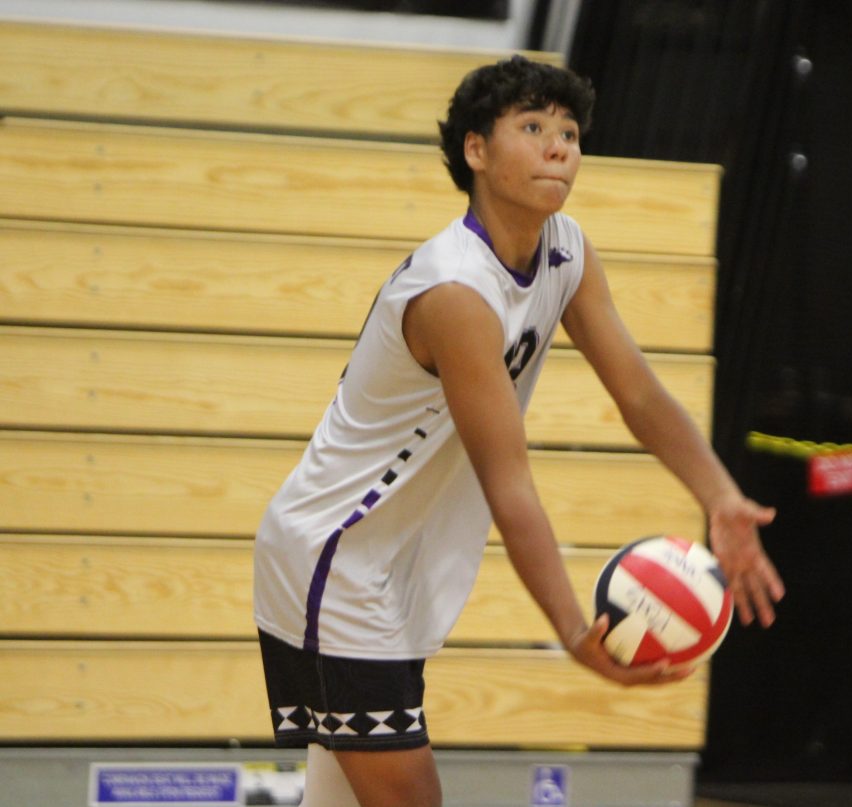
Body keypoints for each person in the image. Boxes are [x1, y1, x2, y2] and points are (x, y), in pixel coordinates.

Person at [252, 55, 785, 807]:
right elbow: (511, 484)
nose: (558, 146)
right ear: (477, 150)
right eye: (532, 127)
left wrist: (721, 495)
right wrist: (574, 633)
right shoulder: (455, 294)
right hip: (334, 559)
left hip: (392, 562)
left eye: (569, 131)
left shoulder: (566, 250)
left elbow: (637, 392)